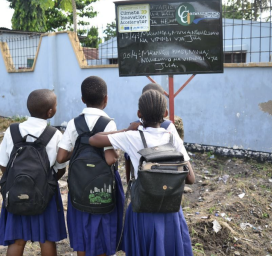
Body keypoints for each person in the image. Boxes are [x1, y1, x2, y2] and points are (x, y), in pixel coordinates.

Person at [89, 89, 195, 256]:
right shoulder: (172, 136)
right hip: (170, 212)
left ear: (139, 113)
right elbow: (191, 178)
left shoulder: (132, 137)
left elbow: (94, 139)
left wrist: (126, 129)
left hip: (143, 211)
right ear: (165, 113)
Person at [56, 76, 124, 256]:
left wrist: (78, 152)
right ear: (106, 99)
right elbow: (110, 159)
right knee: (102, 231)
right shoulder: (108, 123)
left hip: (79, 186)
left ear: (83, 99)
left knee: (82, 232)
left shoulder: (73, 123)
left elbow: (61, 157)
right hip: (102, 187)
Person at [0, 89, 67, 256]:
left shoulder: (12, 131)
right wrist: (46, 182)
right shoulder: (54, 134)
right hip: (45, 194)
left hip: (15, 191)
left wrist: (15, 182)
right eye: (56, 105)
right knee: (47, 239)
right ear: (50, 112)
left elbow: (3, 163)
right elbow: (61, 167)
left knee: (16, 240)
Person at [123, 83, 180, 183]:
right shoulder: (135, 127)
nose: (151, 102)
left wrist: (129, 184)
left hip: (144, 184)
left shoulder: (134, 127)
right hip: (165, 181)